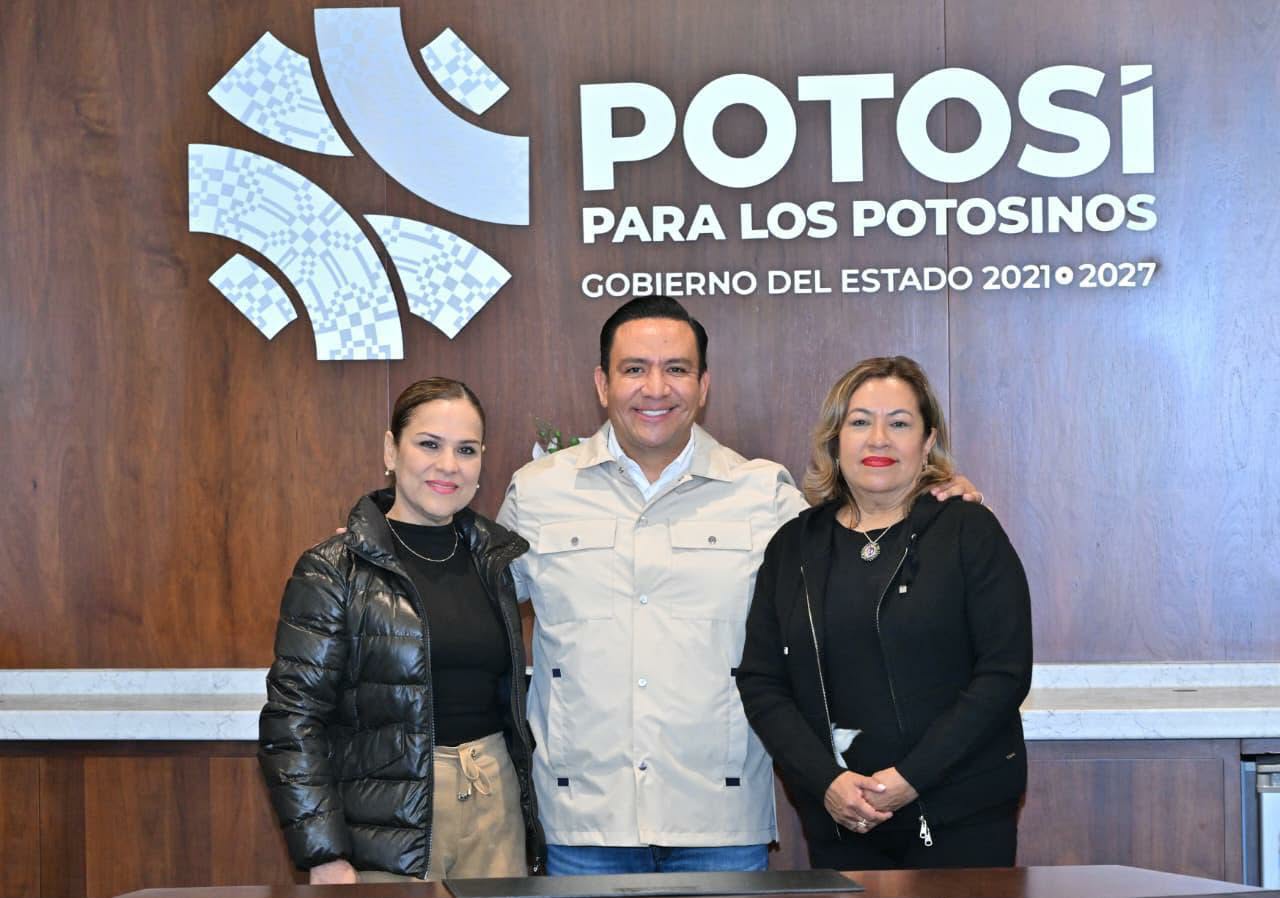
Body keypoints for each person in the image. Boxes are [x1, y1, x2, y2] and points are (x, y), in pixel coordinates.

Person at [497, 298, 982, 875]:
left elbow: (862, 552)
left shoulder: (762, 494)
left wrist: (931, 503)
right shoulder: (538, 493)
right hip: (582, 823)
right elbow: (475, 616)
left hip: (719, 823)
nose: (656, 388)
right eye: (634, 369)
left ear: (703, 385)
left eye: (677, 369)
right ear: (603, 384)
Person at [735, 356, 1033, 871]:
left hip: (961, 815)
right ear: (835, 440)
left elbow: (1004, 673)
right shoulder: (793, 547)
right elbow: (762, 682)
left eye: (899, 423)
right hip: (841, 818)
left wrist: (910, 778)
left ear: (927, 441)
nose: (878, 439)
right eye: (859, 422)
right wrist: (826, 782)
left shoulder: (968, 532)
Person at [259, 377, 544, 883]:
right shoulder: (334, 568)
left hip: (495, 811)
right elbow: (292, 720)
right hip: (388, 830)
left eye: (466, 449)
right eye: (429, 444)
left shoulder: (494, 560)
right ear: (391, 450)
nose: (448, 465)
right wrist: (324, 854)